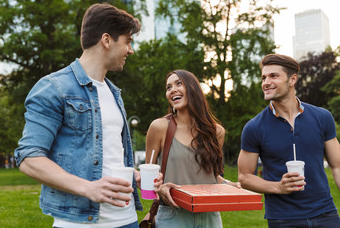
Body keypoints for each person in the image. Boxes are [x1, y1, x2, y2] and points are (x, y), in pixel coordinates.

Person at [14, 3, 162, 228]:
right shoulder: (54, 87)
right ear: (106, 40)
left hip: (127, 219)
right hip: (79, 223)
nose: (130, 50)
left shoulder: (113, 92)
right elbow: (29, 158)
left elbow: (102, 154)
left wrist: (135, 175)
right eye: (128, 41)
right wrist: (88, 188)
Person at [238, 54, 340, 227]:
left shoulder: (322, 117)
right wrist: (278, 187)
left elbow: (337, 166)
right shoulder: (254, 127)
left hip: (325, 214)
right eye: (264, 77)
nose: (266, 82)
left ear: (292, 79)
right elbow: (244, 177)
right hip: (283, 219)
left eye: (273, 76)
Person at [145, 69, 239, 228]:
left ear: (193, 89)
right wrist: (159, 188)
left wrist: (227, 183)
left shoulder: (217, 132)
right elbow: (148, 178)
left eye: (178, 83)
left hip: (210, 215)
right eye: (168, 87)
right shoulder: (159, 127)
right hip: (173, 216)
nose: (172, 89)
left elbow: (210, 175)